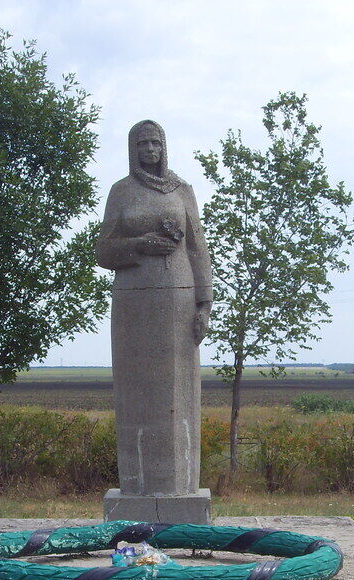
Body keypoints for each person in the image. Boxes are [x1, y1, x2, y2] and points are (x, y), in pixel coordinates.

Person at [96, 120, 212, 496]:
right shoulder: (121, 192)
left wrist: (204, 302)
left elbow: (197, 248)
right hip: (133, 299)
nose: (150, 150)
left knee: (179, 394)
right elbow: (103, 252)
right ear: (133, 149)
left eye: (155, 143)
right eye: (143, 144)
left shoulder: (183, 191)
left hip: (178, 299)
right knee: (135, 391)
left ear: (165, 147)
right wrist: (141, 244)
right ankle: (137, 488)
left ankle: (180, 489)